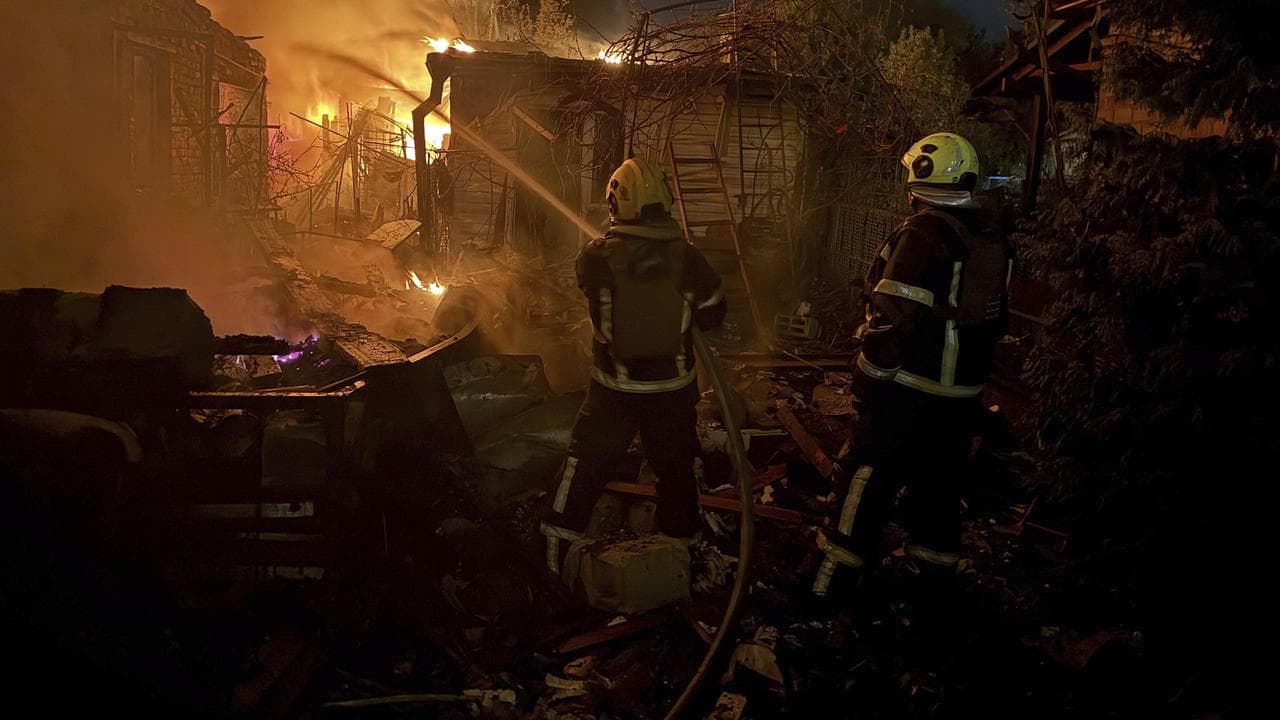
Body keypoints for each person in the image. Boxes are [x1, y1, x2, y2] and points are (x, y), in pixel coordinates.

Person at [812, 132, 1012, 597]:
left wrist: (868, 378)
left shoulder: (924, 233)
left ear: (918, 177)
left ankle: (826, 587)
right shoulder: (991, 238)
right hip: (961, 397)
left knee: (864, 478)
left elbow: (891, 318)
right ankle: (931, 593)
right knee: (938, 490)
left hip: (910, 388)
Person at [541, 157, 726, 573]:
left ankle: (552, 555)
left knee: (584, 464)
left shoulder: (595, 257)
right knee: (675, 470)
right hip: (672, 392)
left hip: (614, 391)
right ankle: (686, 560)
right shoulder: (689, 258)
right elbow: (714, 313)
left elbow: (589, 291)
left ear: (616, 204)